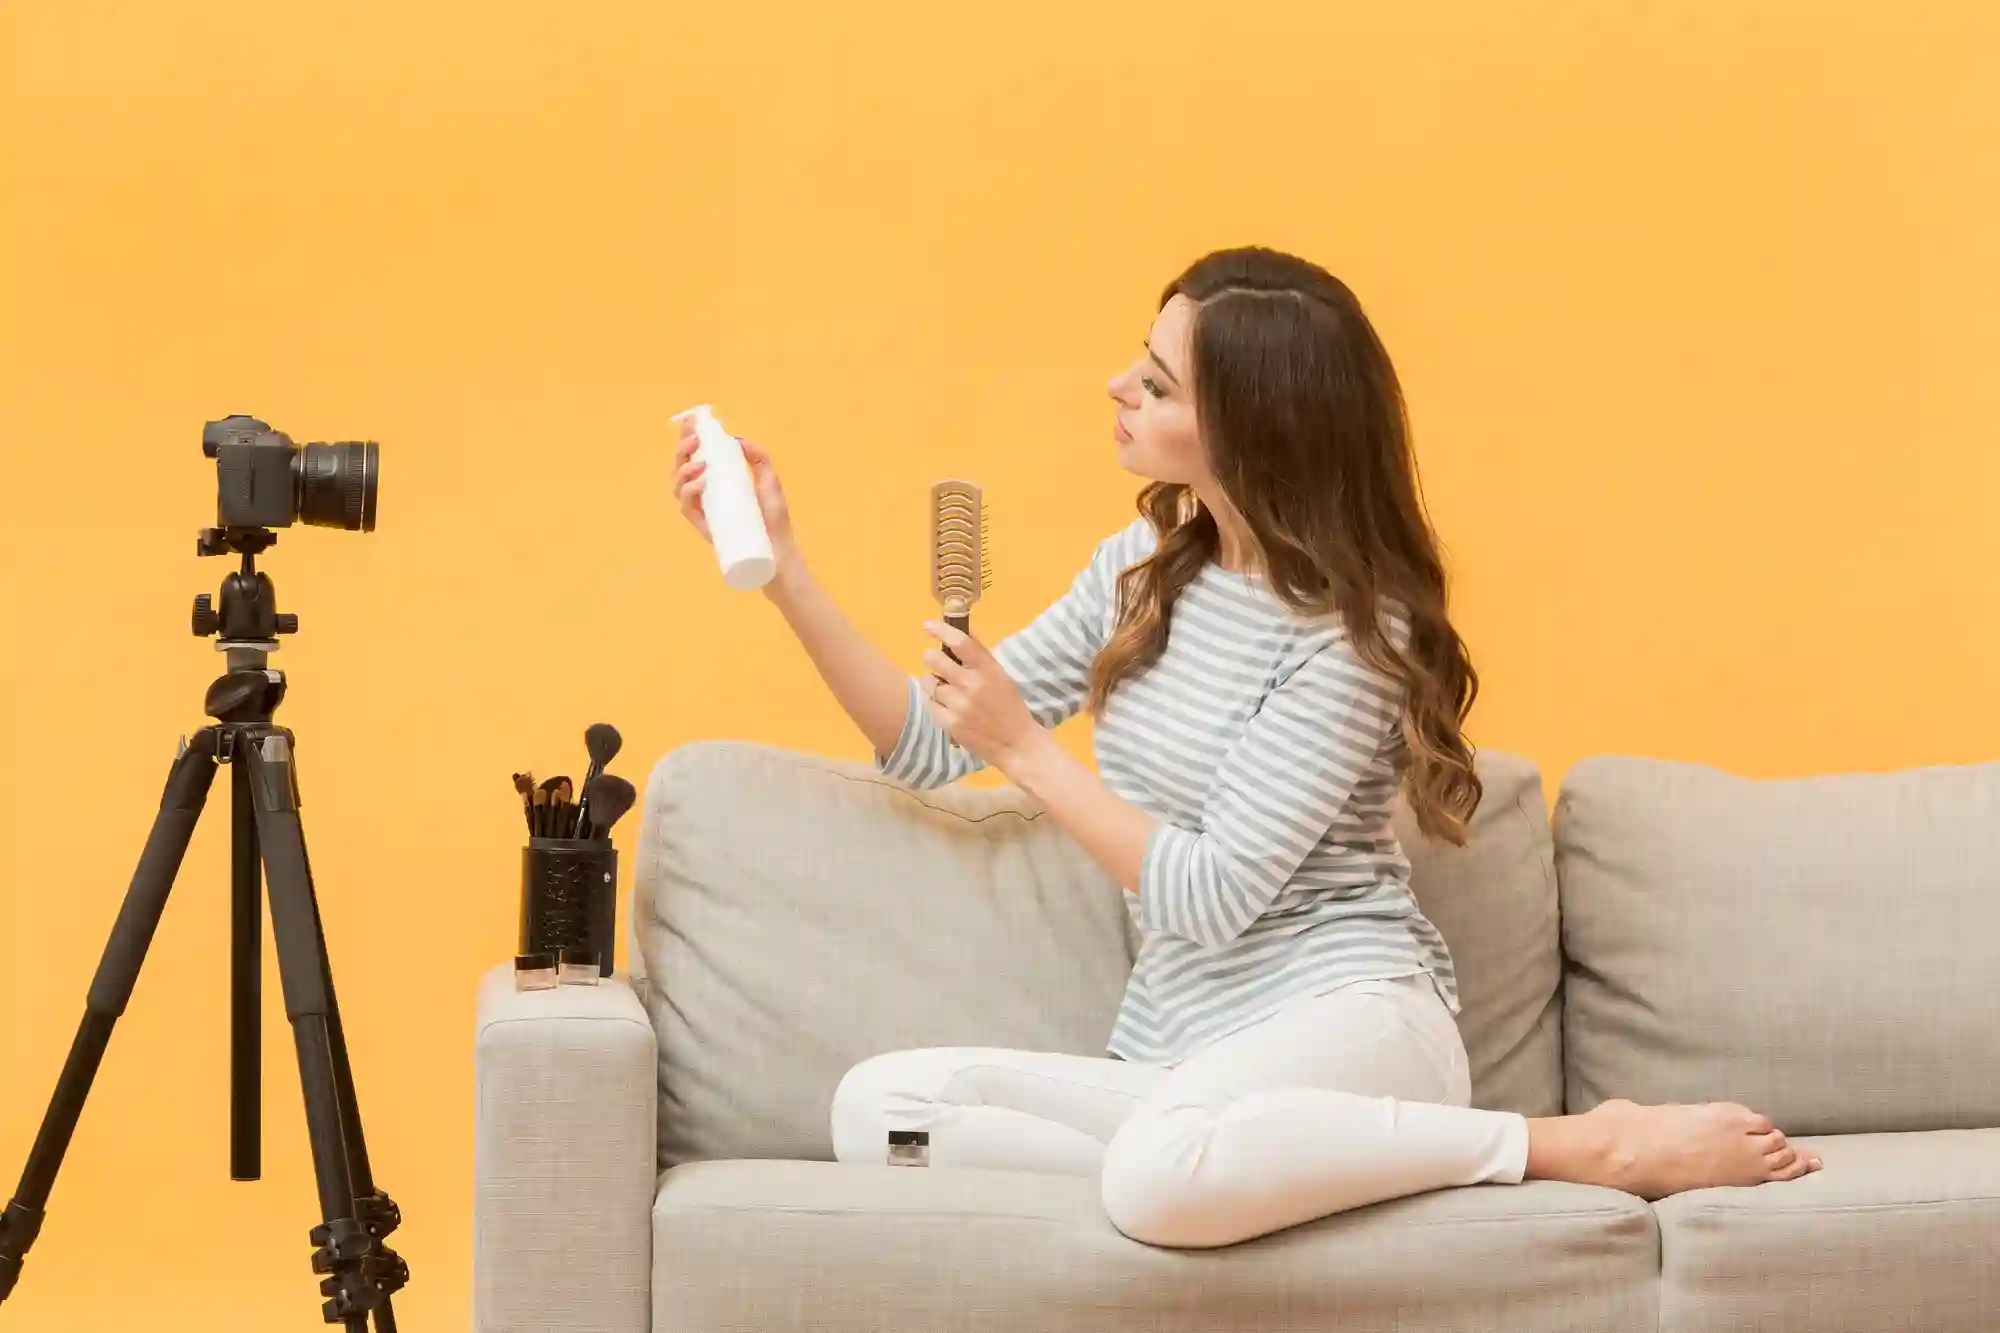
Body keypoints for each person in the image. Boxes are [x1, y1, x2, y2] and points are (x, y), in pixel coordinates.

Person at [670, 245, 1823, 1249]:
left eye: (1156, 382)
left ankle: (1571, 1144)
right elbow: (926, 745)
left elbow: (1209, 895)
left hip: (1350, 1021)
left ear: (1250, 430)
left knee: (1155, 1175)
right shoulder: (1135, 575)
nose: (1116, 388)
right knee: (880, 1110)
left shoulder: (1355, 635)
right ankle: (1255, 1161)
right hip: (1178, 1064)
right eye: (1139, 362)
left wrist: (1023, 746)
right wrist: (782, 568)